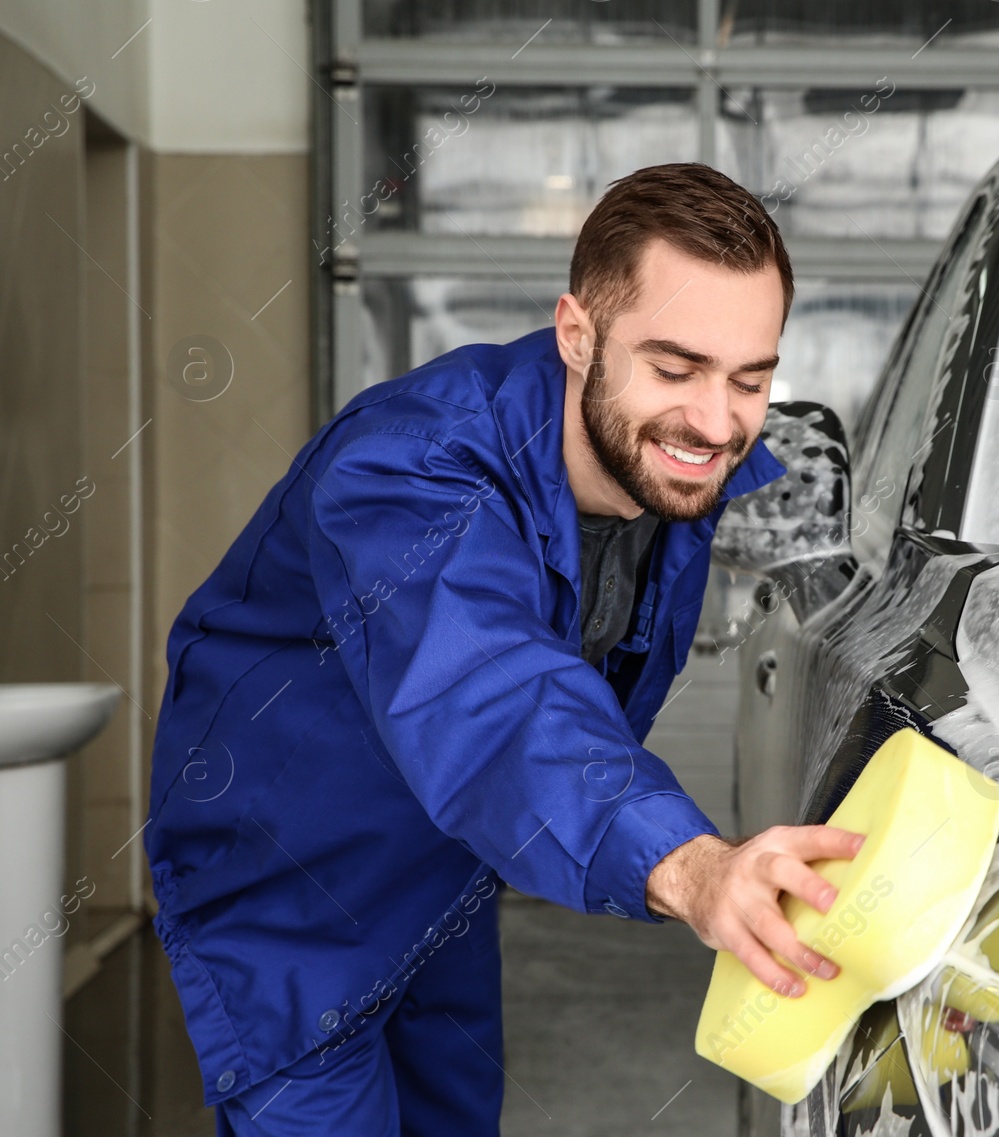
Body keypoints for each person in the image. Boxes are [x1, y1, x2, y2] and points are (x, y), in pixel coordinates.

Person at [144, 163, 863, 1135]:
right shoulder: (406, 472)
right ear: (577, 335)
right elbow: (490, 694)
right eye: (675, 367)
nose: (716, 421)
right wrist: (690, 868)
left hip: (445, 862)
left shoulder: (662, 458)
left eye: (751, 378)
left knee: (454, 1117)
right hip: (292, 881)